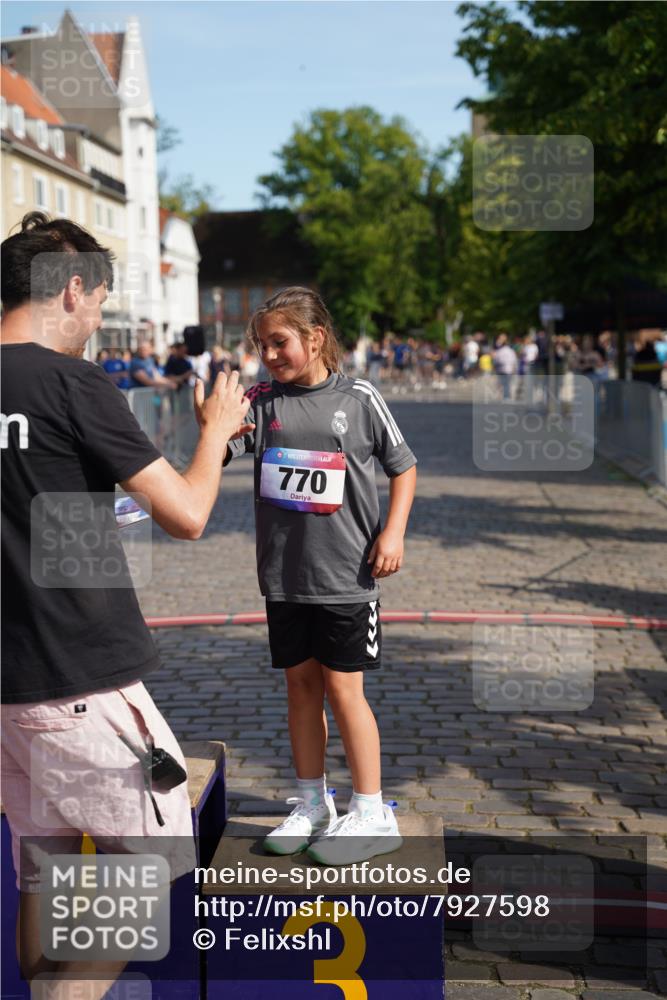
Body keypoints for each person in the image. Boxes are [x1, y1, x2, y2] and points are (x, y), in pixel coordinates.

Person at [0, 212, 252, 999]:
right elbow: (186, 514)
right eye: (100, 304)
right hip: (73, 676)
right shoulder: (70, 381)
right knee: (149, 868)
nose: (97, 323)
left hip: (7, 694)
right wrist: (214, 431)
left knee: (47, 881)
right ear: (70, 288)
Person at [224, 286, 417, 866]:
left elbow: (403, 468)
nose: (269, 354)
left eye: (279, 342)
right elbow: (219, 453)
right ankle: (312, 803)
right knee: (300, 688)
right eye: (261, 345)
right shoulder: (261, 401)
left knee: (344, 689)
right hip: (284, 577)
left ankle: (372, 808)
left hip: (347, 576)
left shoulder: (360, 397)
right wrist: (213, 425)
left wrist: (394, 533)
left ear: (315, 338)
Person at [493, 333, 518, 399]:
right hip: (508, 369)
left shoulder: (500, 351)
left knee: (502, 383)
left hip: (501, 369)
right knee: (507, 384)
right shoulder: (511, 351)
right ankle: (506, 396)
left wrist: (495, 367)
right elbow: (514, 360)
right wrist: (514, 369)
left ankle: (504, 395)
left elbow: (496, 360)